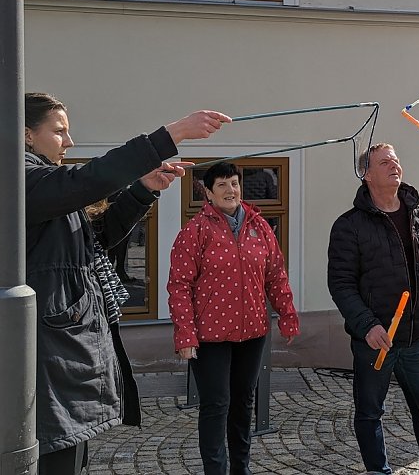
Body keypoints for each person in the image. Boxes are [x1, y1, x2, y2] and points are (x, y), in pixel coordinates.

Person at [24, 91, 230, 474]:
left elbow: (96, 238)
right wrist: (170, 135)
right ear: (26, 134)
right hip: (48, 358)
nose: (69, 141)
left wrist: (143, 189)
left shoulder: (44, 184)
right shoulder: (20, 178)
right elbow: (87, 180)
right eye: (59, 131)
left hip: (64, 355)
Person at [328, 143, 419, 475]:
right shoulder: (349, 226)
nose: (394, 166)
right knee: (370, 412)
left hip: (417, 336)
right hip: (376, 339)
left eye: (395, 160)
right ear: (366, 174)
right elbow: (341, 284)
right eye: (384, 162)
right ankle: (378, 471)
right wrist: (367, 325)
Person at [167, 162, 299, 475]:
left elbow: (275, 275)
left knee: (243, 403)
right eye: (222, 185)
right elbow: (179, 285)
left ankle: (241, 469)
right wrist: (185, 334)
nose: (231, 190)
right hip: (210, 337)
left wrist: (287, 314)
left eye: (235, 183)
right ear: (209, 192)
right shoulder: (195, 231)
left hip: (252, 333)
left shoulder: (259, 227)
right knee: (216, 405)